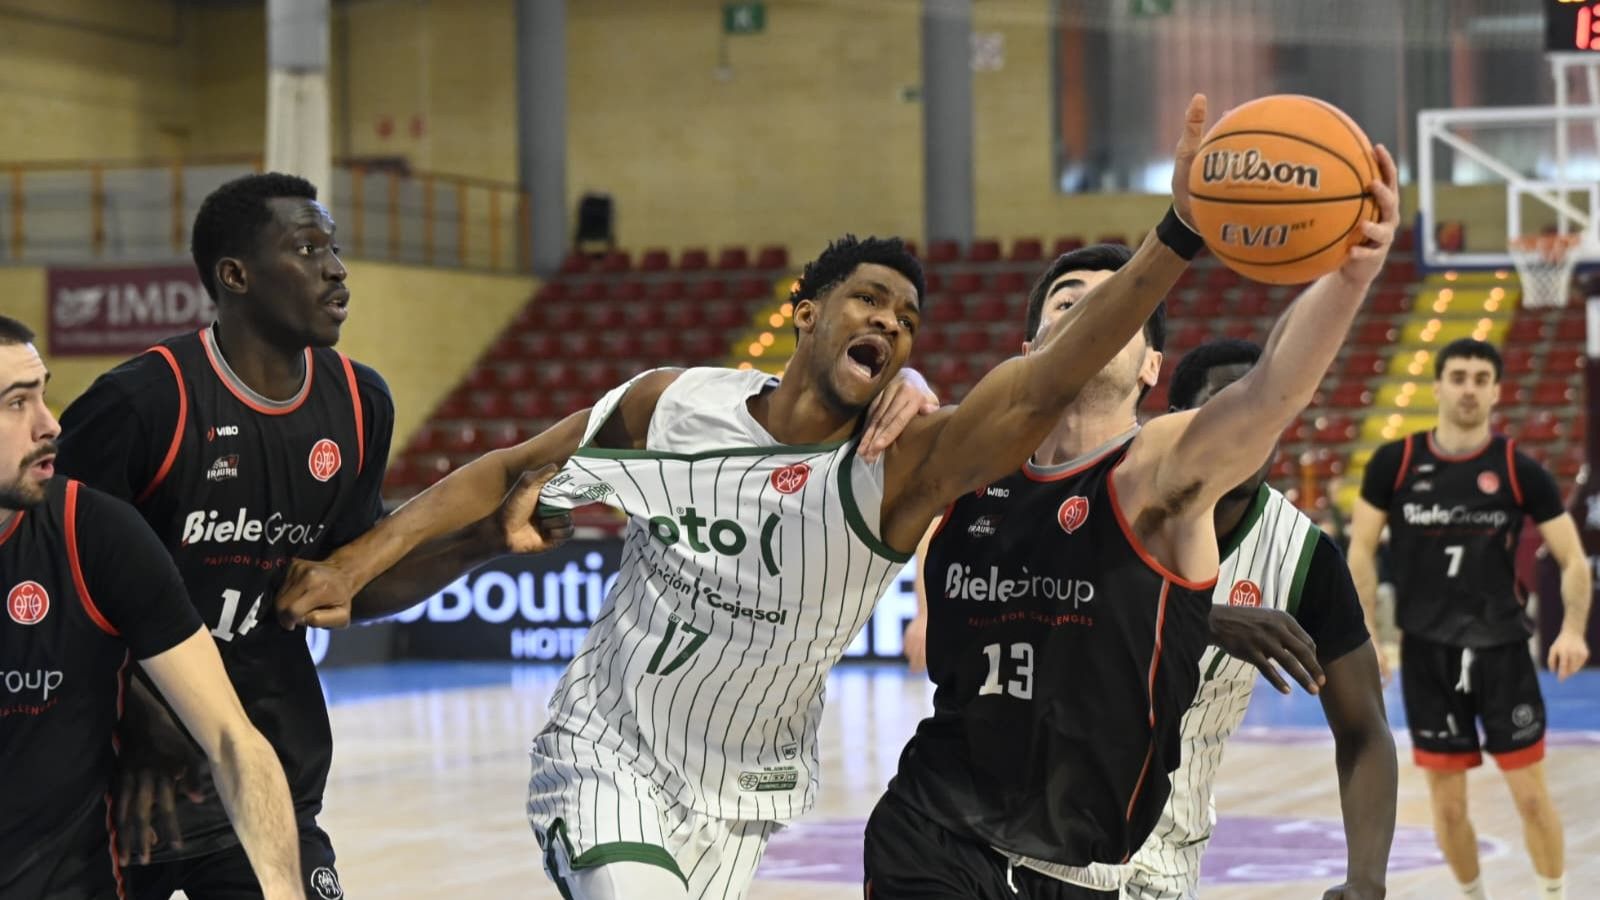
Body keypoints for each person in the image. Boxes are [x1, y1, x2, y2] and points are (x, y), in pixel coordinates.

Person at [272, 95, 1218, 900]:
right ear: (806, 310)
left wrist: (1175, 236)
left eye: (908, 320)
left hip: (742, 800)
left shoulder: (897, 468)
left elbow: (1043, 385)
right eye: (870, 299)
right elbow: (508, 471)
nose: (890, 321)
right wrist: (358, 560)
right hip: (606, 757)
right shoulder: (672, 405)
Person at [862, 144, 1400, 900]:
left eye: (1118, 299)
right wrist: (901, 380)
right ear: (1028, 352)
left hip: (1094, 867)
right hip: (934, 832)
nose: (1089, 305)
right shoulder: (966, 459)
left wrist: (1350, 277)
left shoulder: (1158, 472)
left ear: (1151, 367)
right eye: (1066, 298)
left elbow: (1271, 393)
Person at [54, 173, 396, 900]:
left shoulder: (362, 403)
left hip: (271, 778)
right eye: (307, 249)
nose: (335, 268)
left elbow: (342, 584)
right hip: (120, 797)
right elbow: (50, 587)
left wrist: (479, 537)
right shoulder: (141, 403)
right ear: (234, 276)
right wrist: (146, 715)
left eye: (333, 248)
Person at [0, 316, 303, 900]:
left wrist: (283, 892)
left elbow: (232, 739)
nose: (49, 424)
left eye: (42, 393)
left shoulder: (93, 533)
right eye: (17, 404)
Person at [1113, 338, 1394, 899]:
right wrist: (1200, 618)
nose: (1249, 430)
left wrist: (1366, 881)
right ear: (1177, 422)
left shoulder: (1304, 557)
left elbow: (1365, 731)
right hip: (1048, 838)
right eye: (1227, 407)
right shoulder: (1111, 499)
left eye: (1266, 411)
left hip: (1165, 858)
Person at [1348, 337, 1591, 900]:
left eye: (1481, 379)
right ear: (1438, 385)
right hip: (1428, 653)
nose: (1468, 388)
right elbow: (1359, 551)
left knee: (1531, 797)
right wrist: (1368, 635)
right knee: (1449, 806)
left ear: (1496, 392)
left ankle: (1553, 893)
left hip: (1503, 649)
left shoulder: (1517, 468)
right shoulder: (1396, 462)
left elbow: (1573, 558)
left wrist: (1573, 629)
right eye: (1458, 376)